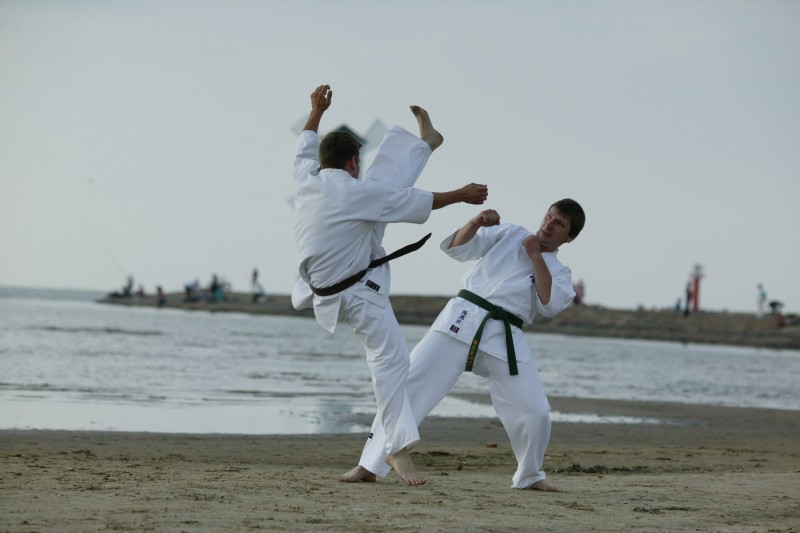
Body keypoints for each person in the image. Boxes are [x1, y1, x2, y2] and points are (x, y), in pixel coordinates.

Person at [291, 85, 488, 485]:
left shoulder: (305, 178)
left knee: (381, 196)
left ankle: (426, 143)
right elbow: (417, 202)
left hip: (327, 284)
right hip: (355, 294)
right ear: (352, 163)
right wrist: (462, 195)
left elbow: (305, 143)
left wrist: (316, 110)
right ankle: (396, 447)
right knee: (392, 363)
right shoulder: (357, 192)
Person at [341, 200, 585, 491]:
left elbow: (548, 304)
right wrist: (475, 222)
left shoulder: (560, 272)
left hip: (505, 335)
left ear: (570, 237)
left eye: (560, 223)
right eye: (550, 216)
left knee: (536, 410)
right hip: (462, 318)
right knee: (406, 385)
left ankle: (530, 475)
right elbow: (457, 248)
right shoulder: (510, 233)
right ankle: (370, 464)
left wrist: (535, 256)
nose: (549, 224)